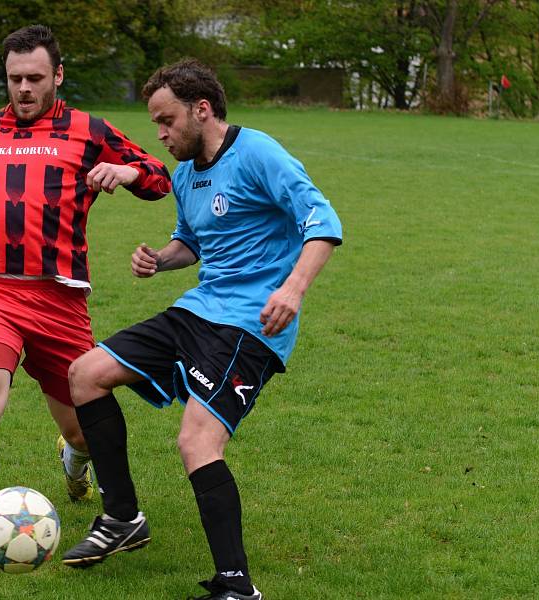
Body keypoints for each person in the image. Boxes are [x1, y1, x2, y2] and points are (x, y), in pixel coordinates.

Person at [61, 59, 342, 600]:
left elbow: (323, 222)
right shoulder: (188, 174)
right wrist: (160, 260)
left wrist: (293, 289)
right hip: (199, 309)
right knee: (85, 374)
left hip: (251, 324)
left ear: (202, 109)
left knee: (196, 441)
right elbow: (191, 241)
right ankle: (122, 518)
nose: (161, 135)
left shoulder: (258, 152)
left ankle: (236, 586)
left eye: (166, 121)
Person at [0, 24, 170, 574]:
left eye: (35, 78)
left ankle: (74, 461)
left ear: (58, 76)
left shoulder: (88, 129)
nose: (23, 88)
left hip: (60, 298)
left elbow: (159, 175)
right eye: (15, 77)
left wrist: (125, 169)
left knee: (80, 429)